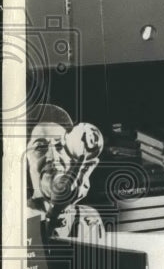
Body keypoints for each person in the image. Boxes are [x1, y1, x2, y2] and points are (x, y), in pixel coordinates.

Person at [25, 104, 105, 242]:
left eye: (60, 146)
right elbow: (38, 261)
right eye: (40, 147)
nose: (53, 157)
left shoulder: (89, 220)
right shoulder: (14, 218)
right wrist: (56, 211)